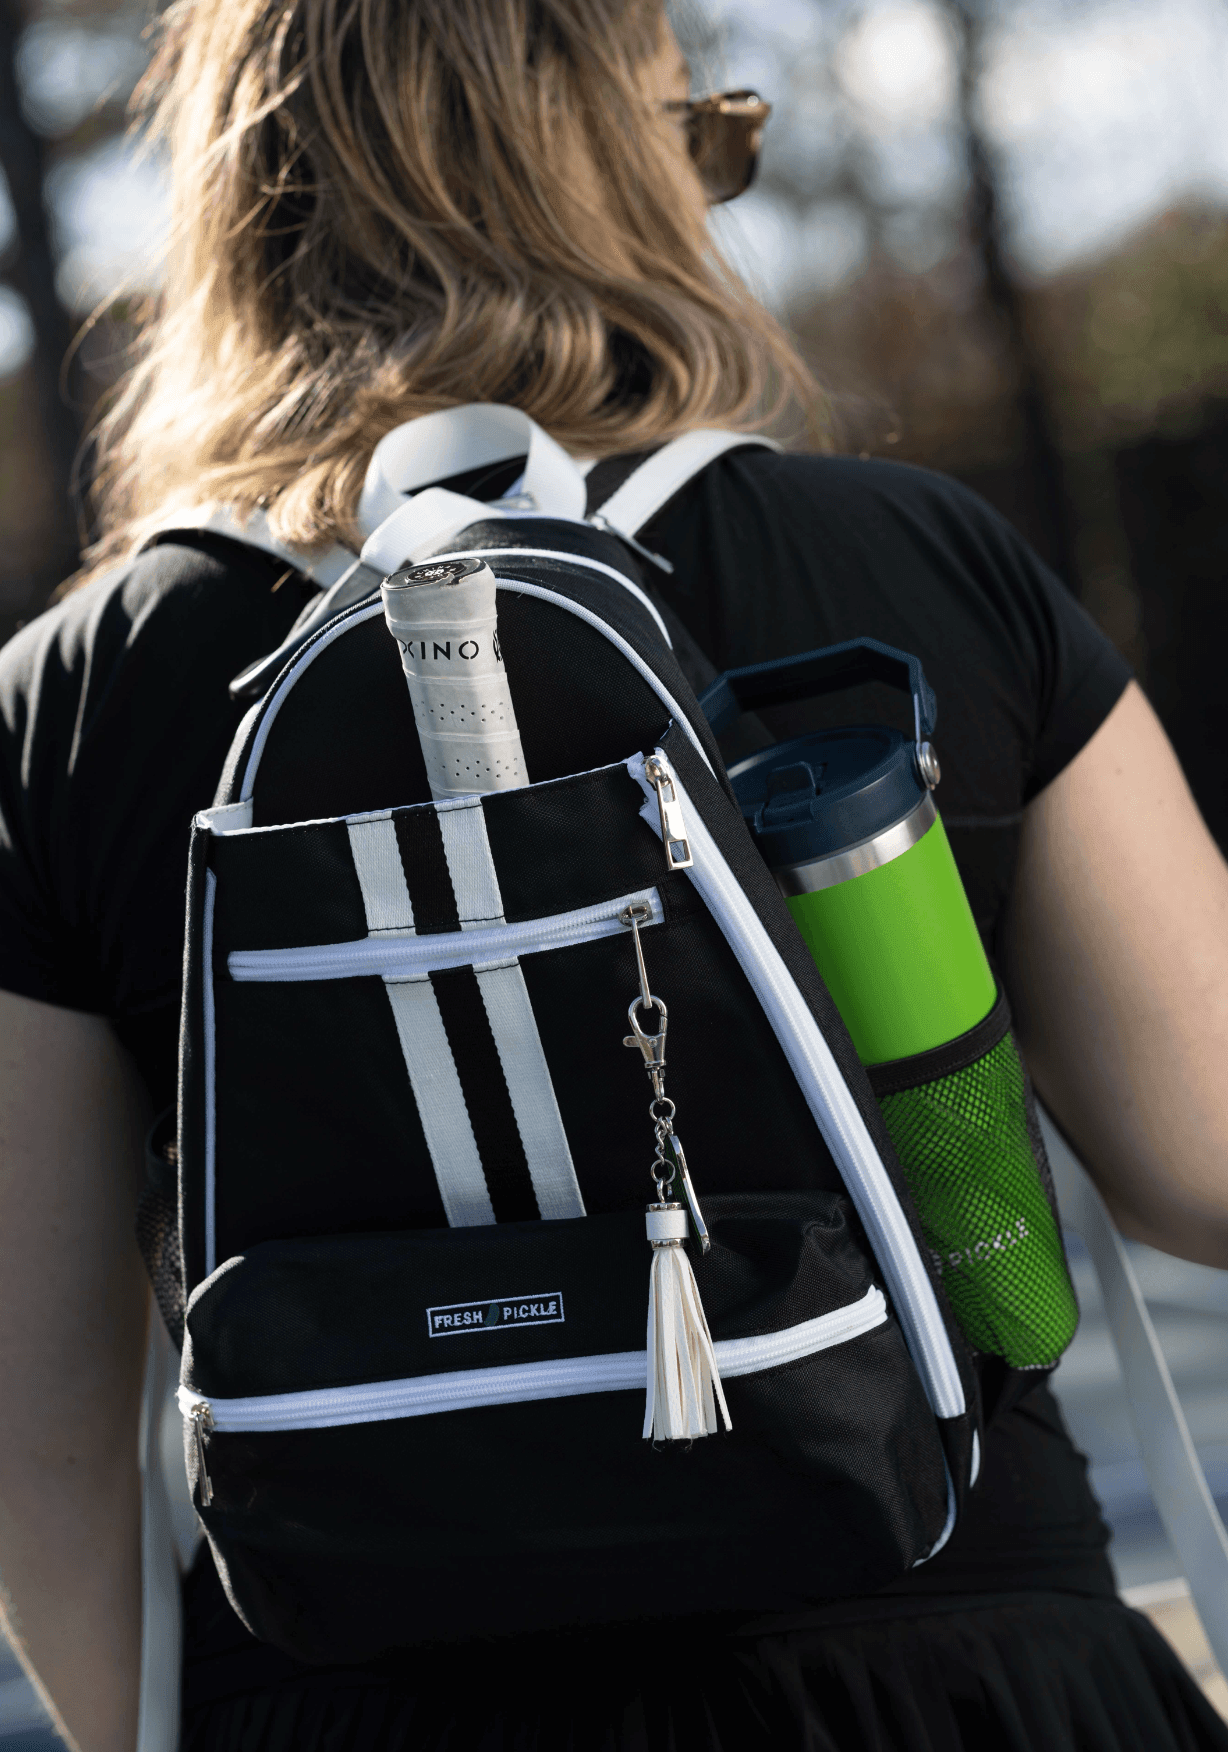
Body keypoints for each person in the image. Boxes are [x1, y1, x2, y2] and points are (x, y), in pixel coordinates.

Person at [2, 2, 1228, 1748]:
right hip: (956, 1666)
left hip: (356, 1703)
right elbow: (1206, 1154)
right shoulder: (909, 559)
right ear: (623, 174)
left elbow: (40, 1443)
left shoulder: (79, 693)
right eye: (709, 139)